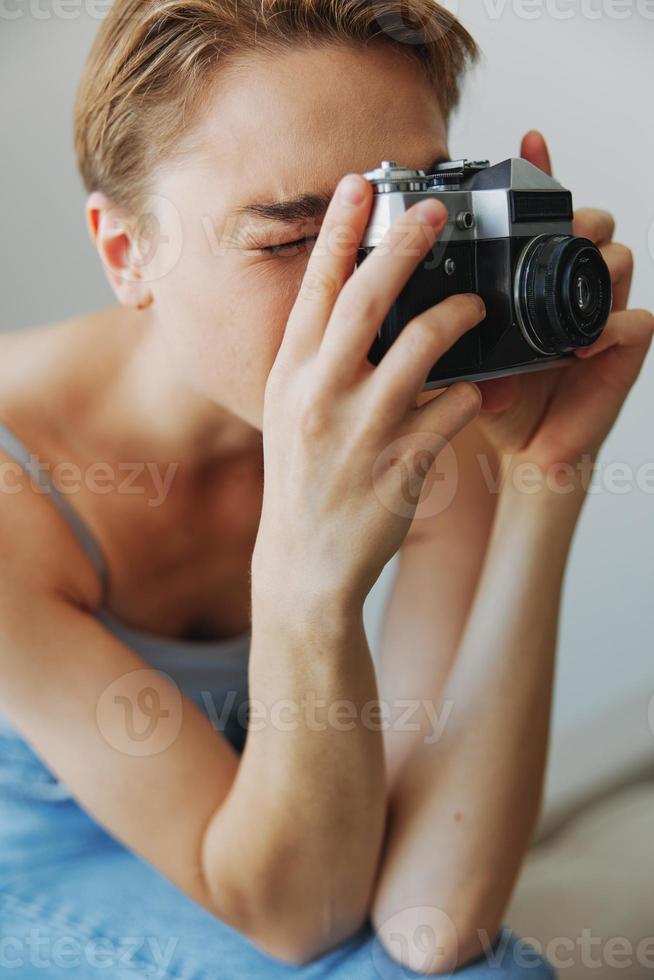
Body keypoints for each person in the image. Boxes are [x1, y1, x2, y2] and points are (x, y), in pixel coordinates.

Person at [0, 1, 651, 977]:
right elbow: (300, 915)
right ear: (126, 251)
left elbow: (433, 919)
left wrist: (544, 478)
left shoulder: (427, 365)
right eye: (288, 239)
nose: (366, 293)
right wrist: (307, 576)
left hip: (274, 815)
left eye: (403, 218)